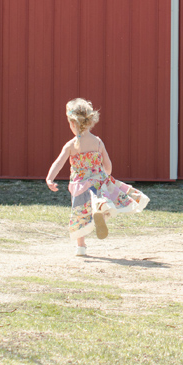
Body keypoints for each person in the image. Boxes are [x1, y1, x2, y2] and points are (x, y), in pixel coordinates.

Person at [45, 98, 149, 256]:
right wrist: (105, 176)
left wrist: (49, 178)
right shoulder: (97, 142)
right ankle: (100, 209)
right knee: (99, 200)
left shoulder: (71, 145)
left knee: (79, 212)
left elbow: (58, 163)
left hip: (80, 186)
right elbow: (108, 165)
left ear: (73, 124)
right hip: (98, 182)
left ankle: (81, 247)